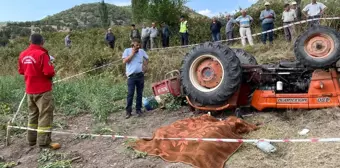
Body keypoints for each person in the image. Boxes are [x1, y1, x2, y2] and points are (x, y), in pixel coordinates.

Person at [18, 33, 60, 150]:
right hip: (43, 90)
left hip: (30, 90)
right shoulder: (42, 54)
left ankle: (31, 140)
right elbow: (49, 72)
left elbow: (21, 71)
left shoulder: (22, 54)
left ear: (30, 41)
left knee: (32, 115)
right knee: (45, 115)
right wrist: (51, 66)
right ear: (42, 41)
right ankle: (44, 142)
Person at [122, 38, 149, 119]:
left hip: (140, 75)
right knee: (130, 94)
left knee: (139, 93)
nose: (137, 47)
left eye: (138, 45)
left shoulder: (141, 51)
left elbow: (147, 58)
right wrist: (132, 54)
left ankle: (138, 109)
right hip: (131, 76)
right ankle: (128, 111)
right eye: (135, 45)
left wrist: (145, 66)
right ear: (132, 45)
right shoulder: (127, 51)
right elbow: (124, 61)